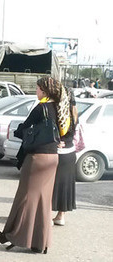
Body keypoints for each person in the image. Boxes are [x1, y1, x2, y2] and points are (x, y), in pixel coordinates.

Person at [0, 76, 65, 254]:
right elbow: (67, 131)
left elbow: (24, 129)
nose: (36, 91)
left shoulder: (41, 108)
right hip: (53, 158)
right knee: (44, 200)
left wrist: (19, 129)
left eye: (37, 89)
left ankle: (16, 236)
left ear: (44, 90)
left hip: (37, 158)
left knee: (26, 197)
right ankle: (41, 242)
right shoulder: (60, 107)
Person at [52, 85, 77, 226]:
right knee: (66, 186)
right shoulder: (74, 112)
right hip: (70, 152)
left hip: (58, 153)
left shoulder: (57, 110)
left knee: (52, 184)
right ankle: (61, 216)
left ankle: (46, 215)